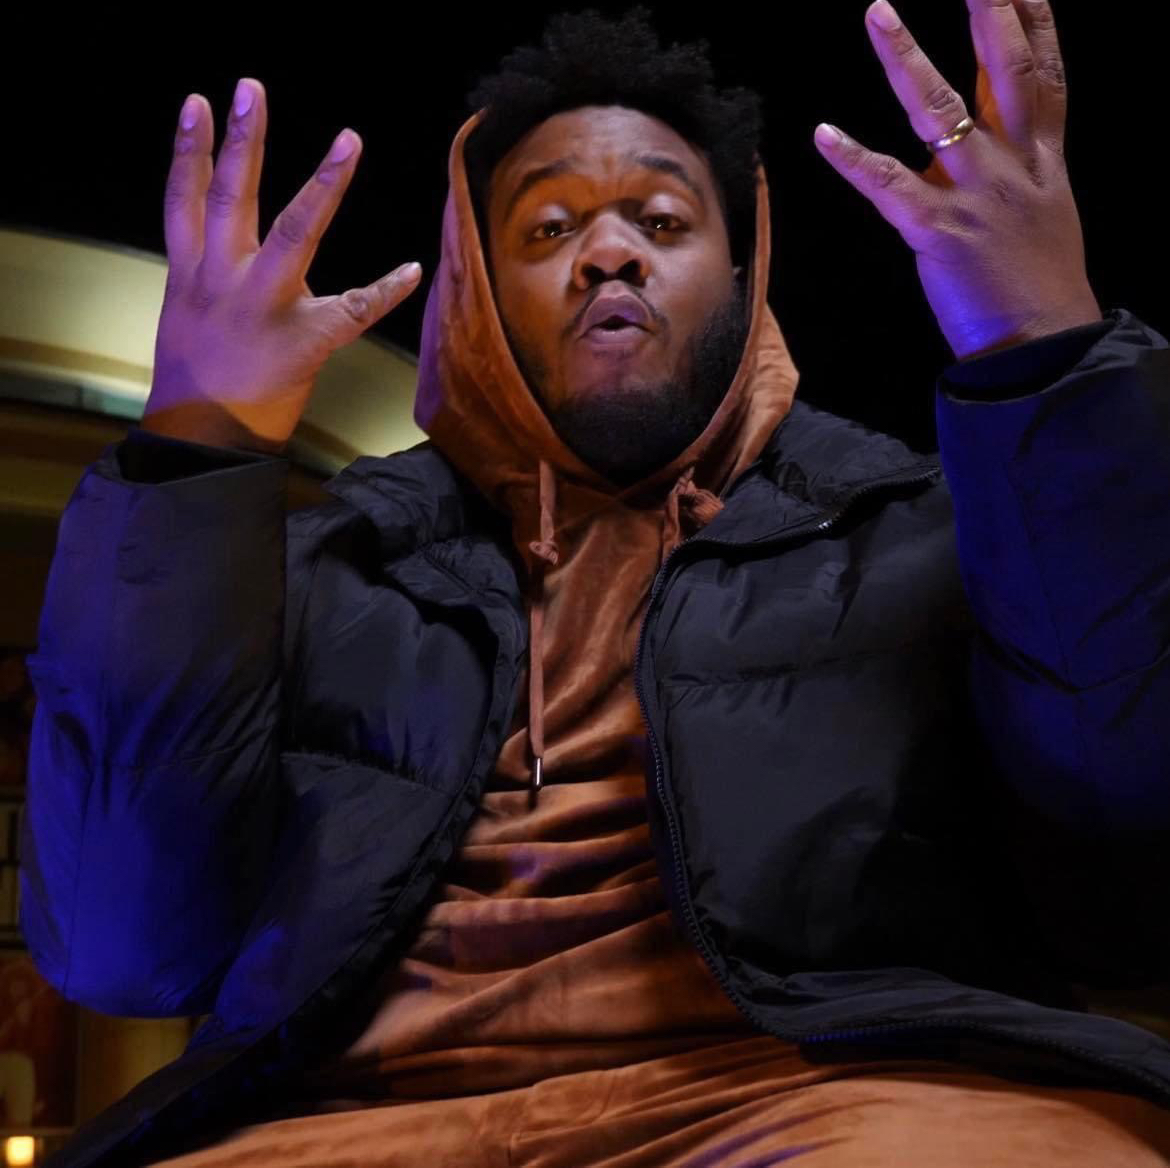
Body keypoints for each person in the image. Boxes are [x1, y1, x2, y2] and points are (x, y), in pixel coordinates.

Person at [19, 4, 1170, 1165]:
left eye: (661, 220)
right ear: (478, 289)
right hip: (362, 1118)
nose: (609, 252)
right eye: (549, 226)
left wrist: (1047, 356)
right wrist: (195, 454)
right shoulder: (331, 567)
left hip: (818, 1099)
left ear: (743, 272)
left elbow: (1128, 889)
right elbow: (123, 947)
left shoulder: (908, 532)